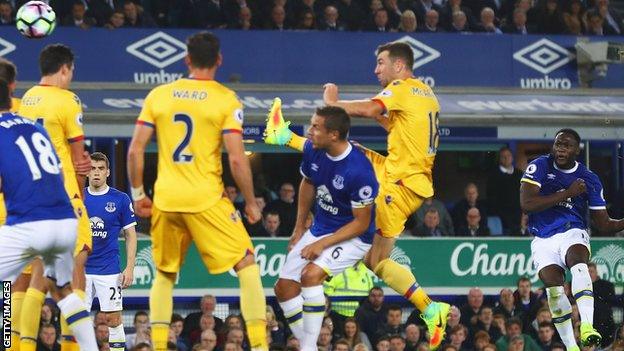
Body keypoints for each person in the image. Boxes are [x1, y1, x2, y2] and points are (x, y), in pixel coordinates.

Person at [263, 41, 450, 350]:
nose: (376, 69)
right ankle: (431, 309)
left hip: (398, 185)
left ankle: (282, 135)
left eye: (380, 63)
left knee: (373, 255)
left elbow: (369, 108)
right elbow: (393, 123)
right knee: (375, 260)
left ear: (399, 67)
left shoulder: (403, 87)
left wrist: (333, 103)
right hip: (405, 179)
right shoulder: (426, 95)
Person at [127, 31, 268, 351]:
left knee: (164, 273)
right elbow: (235, 157)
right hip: (206, 199)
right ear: (219, 60)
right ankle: (260, 345)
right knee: (246, 263)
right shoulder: (226, 99)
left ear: (186, 60)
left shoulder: (159, 95)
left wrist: (138, 194)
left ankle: (159, 345)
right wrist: (250, 202)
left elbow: (135, 150)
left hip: (166, 198)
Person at [273, 106, 379, 351]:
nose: (309, 132)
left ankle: (308, 348)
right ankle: (310, 346)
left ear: (334, 135)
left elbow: (361, 222)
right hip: (320, 227)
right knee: (284, 288)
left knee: (310, 276)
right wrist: (299, 228)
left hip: (354, 235)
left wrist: (320, 244)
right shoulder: (314, 149)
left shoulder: (360, 171)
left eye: (315, 127)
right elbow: (308, 182)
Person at [0, 84, 97, 349]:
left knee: (15, 284)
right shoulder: (28, 106)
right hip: (43, 199)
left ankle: (12, 344)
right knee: (67, 275)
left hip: (10, 205)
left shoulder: (25, 105)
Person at [519, 128, 624, 351]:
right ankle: (571, 346)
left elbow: (604, 224)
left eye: (566, 145)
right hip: (542, 238)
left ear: (577, 150)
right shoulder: (539, 165)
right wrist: (567, 193)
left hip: (572, 230)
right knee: (553, 288)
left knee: (579, 263)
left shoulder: (589, 179)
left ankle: (587, 327)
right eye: (558, 144)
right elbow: (527, 204)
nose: (560, 149)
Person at [17, 43, 93, 351]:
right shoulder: (67, 100)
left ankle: (16, 344)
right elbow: (78, 159)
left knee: (25, 279)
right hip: (61, 195)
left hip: (26, 199)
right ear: (65, 68)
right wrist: (82, 186)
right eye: (72, 70)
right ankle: (72, 345)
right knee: (76, 265)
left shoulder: (25, 100)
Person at [83, 152, 137, 351]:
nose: (96, 172)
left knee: (114, 320)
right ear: (87, 172)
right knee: (77, 321)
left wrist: (130, 268)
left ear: (107, 172)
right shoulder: (78, 197)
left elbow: (131, 235)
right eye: (92, 168)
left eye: (100, 168)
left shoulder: (120, 199)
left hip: (109, 270)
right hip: (82, 270)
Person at [0, 57, 26, 351]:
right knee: (15, 285)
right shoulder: (25, 110)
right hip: (18, 210)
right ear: (12, 85)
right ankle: (13, 344)